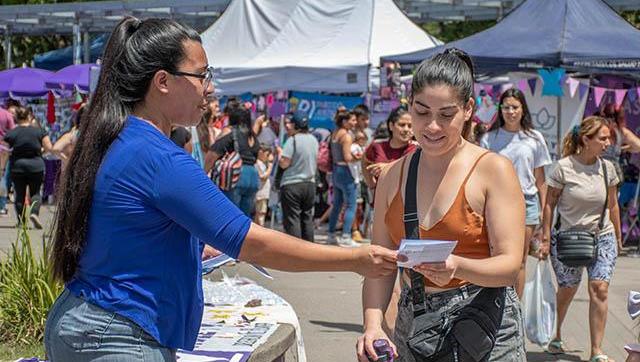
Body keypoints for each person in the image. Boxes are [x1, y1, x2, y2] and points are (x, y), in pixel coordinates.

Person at [45, 17, 398, 362]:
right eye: (202, 76)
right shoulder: (159, 157)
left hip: (92, 320)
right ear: (163, 81)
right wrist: (354, 259)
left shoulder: (121, 138)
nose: (210, 88)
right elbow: (253, 242)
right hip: (119, 334)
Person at [357, 49, 525, 362]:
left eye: (446, 115)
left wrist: (458, 266)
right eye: (421, 112)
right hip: (415, 328)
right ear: (409, 106)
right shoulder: (393, 176)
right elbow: (379, 265)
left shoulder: (493, 169)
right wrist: (373, 325)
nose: (432, 126)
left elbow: (509, 266)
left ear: (468, 110)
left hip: (484, 328)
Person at [540, 116, 621, 362]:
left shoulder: (607, 168)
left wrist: (617, 237)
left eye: (609, 138)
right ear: (586, 139)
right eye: (602, 138)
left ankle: (597, 349)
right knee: (567, 289)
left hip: (601, 236)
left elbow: (614, 205)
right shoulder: (563, 167)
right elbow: (549, 204)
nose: (607, 143)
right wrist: (544, 237)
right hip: (567, 238)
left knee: (600, 288)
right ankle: (556, 334)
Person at [480, 88, 552, 298]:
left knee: (519, 260)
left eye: (515, 107)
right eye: (506, 107)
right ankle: (494, 304)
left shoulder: (534, 138)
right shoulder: (489, 138)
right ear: (500, 110)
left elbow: (540, 179)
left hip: (527, 201)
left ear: (523, 110)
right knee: (494, 255)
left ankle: (515, 309)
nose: (510, 111)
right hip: (495, 203)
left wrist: (543, 210)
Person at [3, 106, 53, 229]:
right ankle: (34, 213)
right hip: (36, 165)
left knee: (19, 194)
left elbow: (5, 150)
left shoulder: (12, 133)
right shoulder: (39, 131)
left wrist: (4, 166)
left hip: (17, 166)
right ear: (29, 116)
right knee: (35, 192)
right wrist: (40, 152)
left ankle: (21, 222)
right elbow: (49, 147)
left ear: (16, 118)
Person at [206, 106, 261, 216]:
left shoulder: (232, 133)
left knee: (231, 215)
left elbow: (213, 153)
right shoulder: (253, 136)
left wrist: (204, 172)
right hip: (253, 176)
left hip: (237, 174)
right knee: (245, 216)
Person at [278, 111, 319, 242]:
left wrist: (279, 154)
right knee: (307, 218)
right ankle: (309, 249)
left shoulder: (292, 140)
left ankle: (295, 250)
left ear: (295, 125)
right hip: (310, 184)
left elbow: (284, 163)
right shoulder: (314, 140)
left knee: (292, 219)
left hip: (292, 184)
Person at [328, 110, 361, 247]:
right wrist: (359, 157)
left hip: (336, 170)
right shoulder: (346, 136)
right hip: (346, 172)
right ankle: (346, 236)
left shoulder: (335, 133)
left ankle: (331, 234)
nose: (355, 123)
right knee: (351, 205)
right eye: (352, 120)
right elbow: (348, 157)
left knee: (337, 205)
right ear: (344, 121)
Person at [363, 106, 416, 192]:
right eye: (402, 125)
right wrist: (371, 184)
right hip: (380, 199)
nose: (406, 129)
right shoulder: (377, 145)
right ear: (391, 126)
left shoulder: (417, 149)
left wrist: (387, 168)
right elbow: (365, 161)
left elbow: (411, 170)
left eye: (410, 126)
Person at [53, 104, 85, 171]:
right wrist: (68, 161)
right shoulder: (73, 134)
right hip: (73, 172)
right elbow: (56, 149)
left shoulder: (76, 133)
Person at [0, 104, 15, 216]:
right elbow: (13, 132)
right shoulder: (7, 114)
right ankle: (2, 206)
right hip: (4, 149)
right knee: (3, 176)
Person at [254, 145, 272, 226]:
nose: (267, 157)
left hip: (262, 193)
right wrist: (270, 168)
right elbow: (263, 177)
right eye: (267, 155)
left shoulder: (262, 164)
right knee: (261, 213)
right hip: (260, 193)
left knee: (259, 213)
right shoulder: (258, 163)